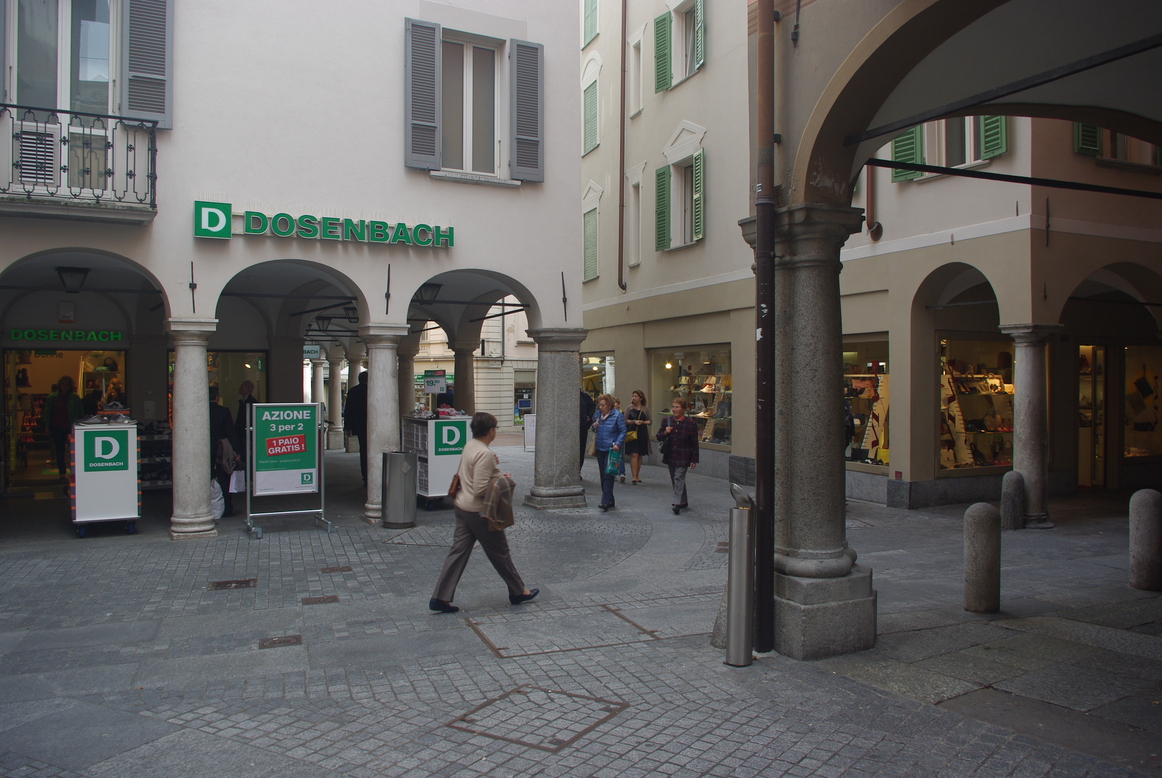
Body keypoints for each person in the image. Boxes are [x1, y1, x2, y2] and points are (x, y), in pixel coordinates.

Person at [430, 412, 538, 613]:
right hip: (479, 512)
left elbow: (472, 472)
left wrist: (491, 467)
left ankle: (440, 596)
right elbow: (480, 488)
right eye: (495, 428)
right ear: (490, 431)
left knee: (458, 552)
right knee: (500, 552)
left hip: (462, 505)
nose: (495, 431)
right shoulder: (484, 453)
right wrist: (502, 480)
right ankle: (518, 591)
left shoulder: (471, 445)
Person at [656, 398, 699, 514]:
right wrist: (665, 432)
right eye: (673, 407)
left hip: (684, 455)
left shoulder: (690, 424)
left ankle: (676, 503)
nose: (674, 409)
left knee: (678, 477)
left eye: (677, 407)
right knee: (675, 478)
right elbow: (658, 436)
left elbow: (694, 443)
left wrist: (694, 459)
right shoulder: (666, 421)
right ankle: (683, 500)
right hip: (670, 454)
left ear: (683, 409)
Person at [209, 386, 241, 518]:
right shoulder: (223, 411)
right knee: (224, 477)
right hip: (221, 450)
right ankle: (226, 507)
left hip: (205, 449)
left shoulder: (200, 411)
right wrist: (237, 451)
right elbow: (231, 432)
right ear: (217, 397)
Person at [591, 393, 626, 512]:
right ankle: (610, 499)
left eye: (603, 405)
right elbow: (593, 427)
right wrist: (594, 426)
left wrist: (618, 443)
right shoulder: (598, 415)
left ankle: (605, 501)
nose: (601, 407)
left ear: (609, 405)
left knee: (608, 474)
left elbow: (623, 431)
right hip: (600, 447)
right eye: (600, 405)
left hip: (611, 448)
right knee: (603, 474)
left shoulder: (617, 415)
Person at [43, 375, 83, 477]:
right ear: (60, 385)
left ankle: (74, 470)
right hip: (58, 427)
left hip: (70, 427)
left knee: (73, 450)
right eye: (63, 384)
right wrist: (47, 425)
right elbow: (48, 412)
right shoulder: (53, 397)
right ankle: (62, 472)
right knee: (59, 450)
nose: (65, 387)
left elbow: (79, 412)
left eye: (67, 385)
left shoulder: (75, 398)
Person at [344, 371, 369, 484]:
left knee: (363, 451)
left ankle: (365, 476)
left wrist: (347, 426)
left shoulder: (353, 391)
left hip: (360, 425)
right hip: (372, 424)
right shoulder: (373, 390)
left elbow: (348, 410)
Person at [624, 390, 652, 484]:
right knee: (634, 454)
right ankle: (633, 476)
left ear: (640, 398)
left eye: (636, 396)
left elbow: (650, 421)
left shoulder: (645, 409)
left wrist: (643, 422)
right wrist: (633, 422)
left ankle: (637, 475)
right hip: (632, 432)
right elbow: (624, 420)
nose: (634, 398)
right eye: (633, 396)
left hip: (642, 432)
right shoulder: (629, 408)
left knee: (640, 454)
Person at [236, 380, 258, 462]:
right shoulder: (243, 402)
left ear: (247, 389)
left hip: (246, 434)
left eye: (242, 387)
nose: (239, 388)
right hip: (242, 433)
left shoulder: (251, 402)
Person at [579, 390, 596, 479]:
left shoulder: (584, 396)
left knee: (581, 449)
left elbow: (592, 405)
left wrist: (589, 417)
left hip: (582, 426)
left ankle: (578, 470)